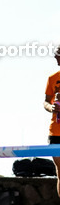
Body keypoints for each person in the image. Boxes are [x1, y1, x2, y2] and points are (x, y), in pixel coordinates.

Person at [45, 46, 60, 196]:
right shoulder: (52, 78)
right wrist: (51, 108)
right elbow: (45, 102)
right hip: (55, 131)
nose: (55, 58)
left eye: (57, 55)